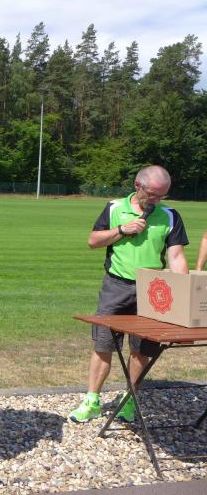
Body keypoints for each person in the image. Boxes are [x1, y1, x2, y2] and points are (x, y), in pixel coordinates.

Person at [69, 165, 188, 424]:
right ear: (137, 185)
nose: (156, 200)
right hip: (116, 286)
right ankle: (92, 400)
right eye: (152, 194)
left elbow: (177, 257)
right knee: (103, 345)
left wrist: (183, 297)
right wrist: (123, 229)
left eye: (162, 195)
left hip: (153, 291)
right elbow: (93, 241)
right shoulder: (114, 208)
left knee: (141, 349)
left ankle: (129, 399)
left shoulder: (170, 216)